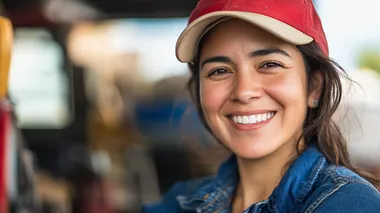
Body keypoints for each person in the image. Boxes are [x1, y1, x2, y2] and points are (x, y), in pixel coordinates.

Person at [142, 0, 380, 212]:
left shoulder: (348, 202)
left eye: (269, 65)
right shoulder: (179, 202)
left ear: (314, 87)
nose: (244, 92)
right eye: (220, 71)